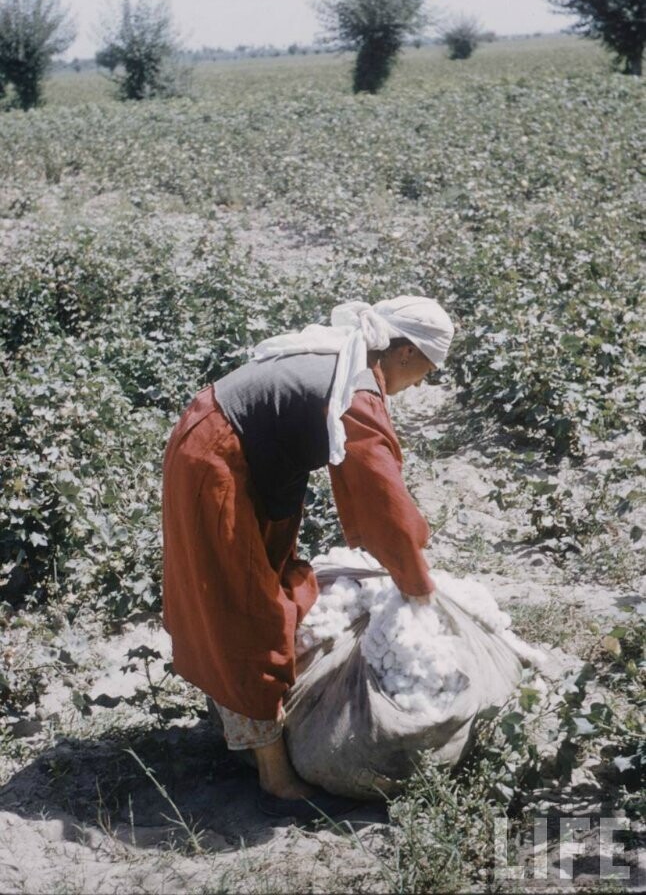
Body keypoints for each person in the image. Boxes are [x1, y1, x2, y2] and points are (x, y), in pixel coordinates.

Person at [162, 295, 454, 818]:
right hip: (216, 461)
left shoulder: (343, 360)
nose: (420, 384)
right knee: (244, 608)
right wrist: (415, 579)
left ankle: (253, 721)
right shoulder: (357, 393)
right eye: (426, 372)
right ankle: (274, 773)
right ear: (406, 353)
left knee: (267, 581)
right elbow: (384, 503)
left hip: (223, 445)